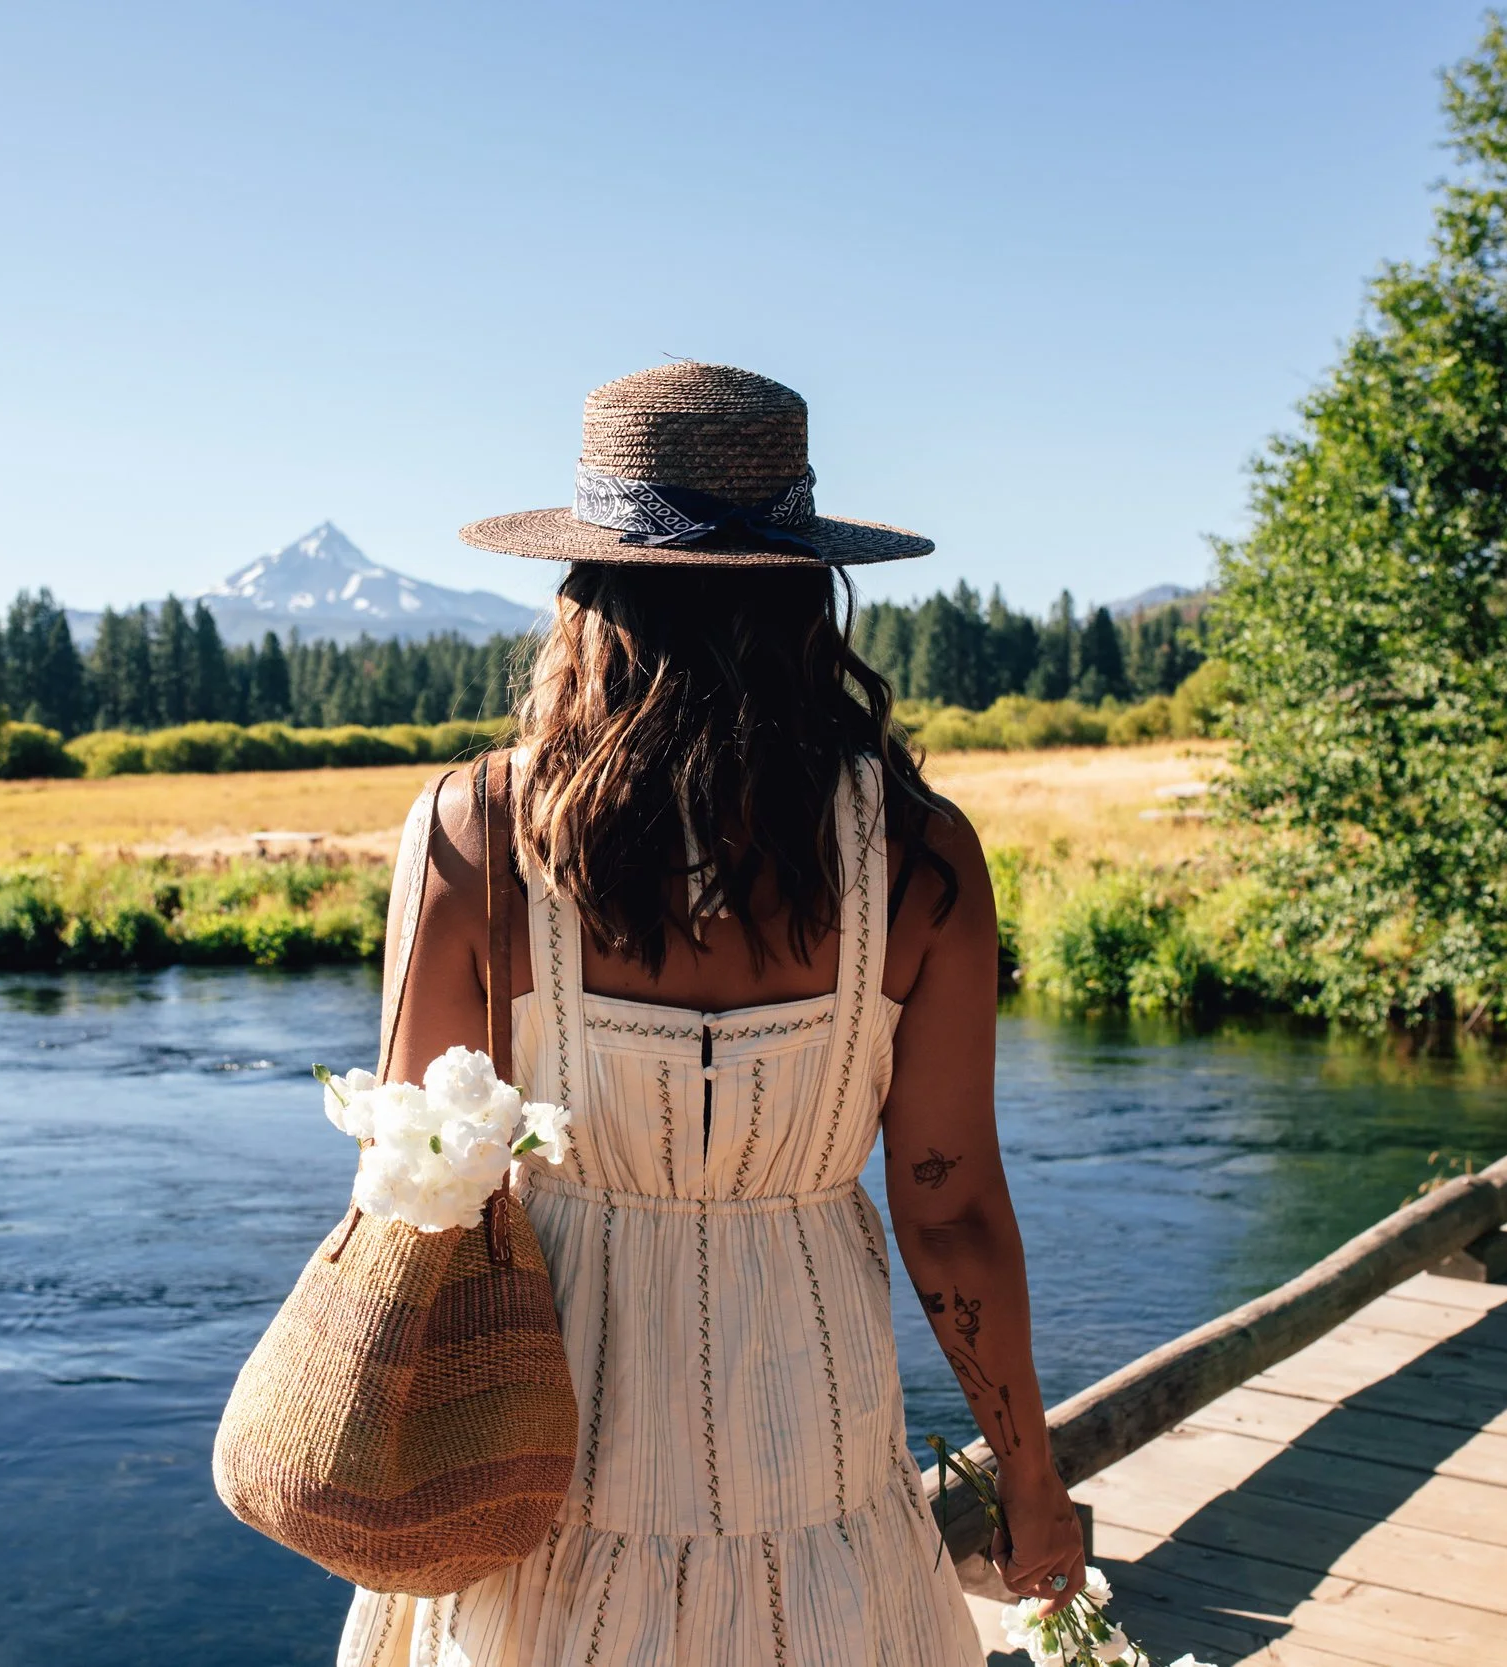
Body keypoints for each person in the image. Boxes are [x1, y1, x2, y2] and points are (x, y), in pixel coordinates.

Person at [345, 362, 1084, 1665]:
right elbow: (952, 1209)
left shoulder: (472, 837)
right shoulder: (918, 858)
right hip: (823, 1478)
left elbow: (407, 1190)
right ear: (807, 584)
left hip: (539, 1474)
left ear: (586, 588)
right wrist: (1030, 1485)